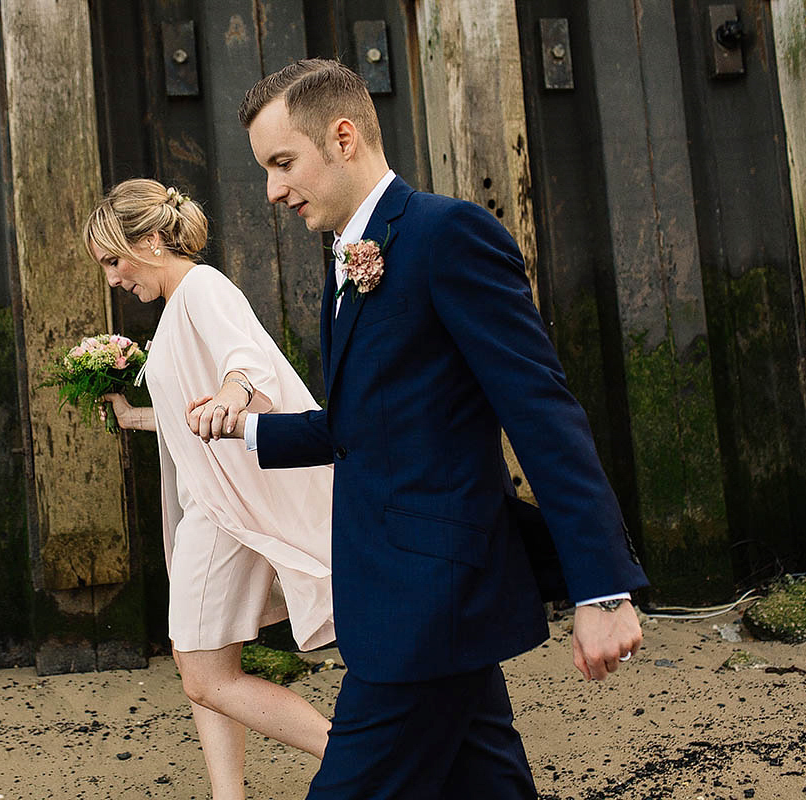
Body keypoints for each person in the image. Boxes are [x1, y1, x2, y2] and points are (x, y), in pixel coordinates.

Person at [188, 59, 649, 799]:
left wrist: (602, 591)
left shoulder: (447, 235)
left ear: (342, 138)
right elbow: (361, 428)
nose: (272, 190)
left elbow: (543, 412)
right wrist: (248, 431)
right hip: (399, 594)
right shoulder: (347, 257)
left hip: (428, 601)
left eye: (282, 163)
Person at [86, 178, 335, 800]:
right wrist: (134, 415)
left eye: (115, 260)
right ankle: (231, 794)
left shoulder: (201, 287)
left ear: (149, 241)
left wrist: (231, 395)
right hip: (218, 502)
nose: (114, 278)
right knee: (205, 662)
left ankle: (358, 757)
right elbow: (188, 416)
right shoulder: (179, 306)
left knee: (201, 672)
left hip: (222, 513)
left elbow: (244, 359)